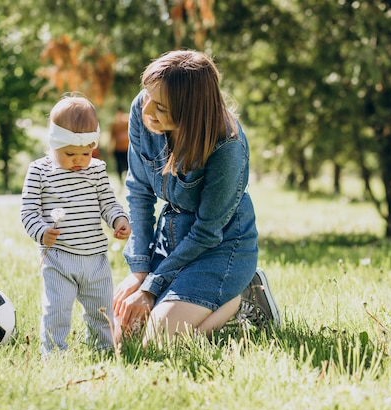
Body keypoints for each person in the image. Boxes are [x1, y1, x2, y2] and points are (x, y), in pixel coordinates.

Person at [112, 50, 280, 346]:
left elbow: (206, 232)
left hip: (220, 248)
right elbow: (139, 192)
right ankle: (212, 304)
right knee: (123, 338)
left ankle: (241, 297)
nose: (146, 108)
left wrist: (151, 288)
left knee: (159, 341)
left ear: (189, 111)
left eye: (160, 106)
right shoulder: (143, 110)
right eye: (147, 95)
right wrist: (139, 272)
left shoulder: (227, 148)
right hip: (173, 240)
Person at [21, 94, 131, 355]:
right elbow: (28, 211)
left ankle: (104, 350)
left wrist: (119, 219)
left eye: (85, 152)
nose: (79, 160)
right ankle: (55, 353)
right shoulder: (39, 171)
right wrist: (41, 231)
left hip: (95, 259)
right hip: (59, 257)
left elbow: (108, 203)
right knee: (56, 309)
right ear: (54, 143)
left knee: (101, 310)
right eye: (70, 153)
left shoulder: (96, 170)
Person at [109, 106, 130, 182]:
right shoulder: (114, 125)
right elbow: (111, 138)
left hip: (126, 148)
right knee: (119, 167)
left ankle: (128, 180)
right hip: (118, 149)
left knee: (128, 166)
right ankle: (120, 181)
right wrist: (110, 150)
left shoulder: (128, 122)